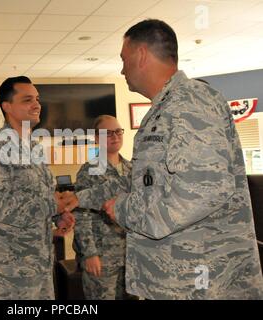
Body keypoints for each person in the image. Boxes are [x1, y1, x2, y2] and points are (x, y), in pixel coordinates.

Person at [77, 19, 263, 299]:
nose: (122, 69)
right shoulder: (165, 109)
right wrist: (79, 200)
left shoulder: (190, 101)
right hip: (177, 279)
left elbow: (203, 192)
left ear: (140, 55)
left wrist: (127, 211)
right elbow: (142, 184)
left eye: (123, 59)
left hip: (201, 282)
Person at [0, 76, 76, 300]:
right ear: (7, 107)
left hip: (41, 264)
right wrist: (52, 206)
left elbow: (41, 195)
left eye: (37, 99)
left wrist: (57, 217)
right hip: (9, 272)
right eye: (28, 99)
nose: (37, 104)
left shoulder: (35, 148)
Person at [73, 115, 134, 300]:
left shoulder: (132, 169)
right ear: (97, 138)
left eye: (118, 131)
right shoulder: (89, 170)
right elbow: (81, 215)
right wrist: (89, 253)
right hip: (102, 257)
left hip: (131, 256)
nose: (115, 136)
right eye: (108, 133)